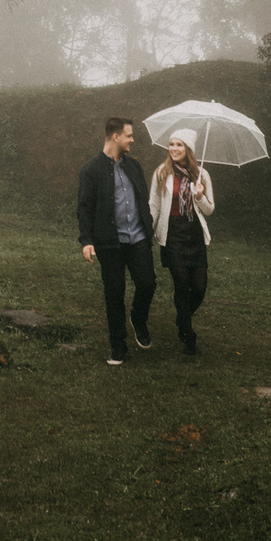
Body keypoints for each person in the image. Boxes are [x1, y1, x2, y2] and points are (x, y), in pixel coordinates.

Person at [77, 116, 156, 365]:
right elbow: (84, 208)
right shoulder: (91, 170)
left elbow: (142, 199)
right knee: (114, 293)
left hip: (139, 238)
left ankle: (138, 318)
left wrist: (148, 223)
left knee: (148, 283)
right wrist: (87, 240)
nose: (132, 140)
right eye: (129, 135)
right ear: (115, 137)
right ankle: (118, 346)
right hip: (110, 242)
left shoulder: (134, 166)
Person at [147, 128, 215, 355]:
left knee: (199, 287)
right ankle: (187, 333)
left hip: (194, 233)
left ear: (189, 150)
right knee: (181, 283)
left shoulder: (202, 175)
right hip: (172, 233)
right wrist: (148, 229)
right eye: (171, 144)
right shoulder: (161, 172)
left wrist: (199, 195)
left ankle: (181, 316)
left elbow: (209, 209)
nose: (174, 148)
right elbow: (154, 204)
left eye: (179, 145)